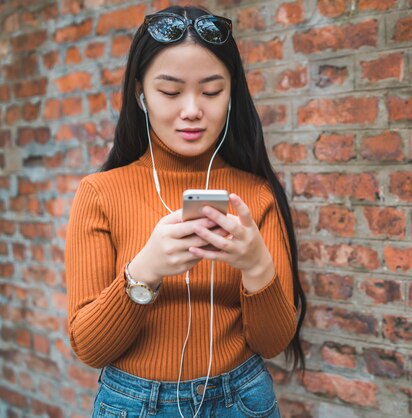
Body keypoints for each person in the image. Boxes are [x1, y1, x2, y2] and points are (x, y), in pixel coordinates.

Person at [64, 5, 306, 417]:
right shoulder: (100, 193)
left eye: (212, 91)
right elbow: (89, 347)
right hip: (134, 404)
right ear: (141, 93)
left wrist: (256, 265)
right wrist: (144, 273)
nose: (192, 109)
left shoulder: (255, 195)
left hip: (242, 399)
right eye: (171, 92)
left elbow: (273, 344)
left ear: (232, 94)